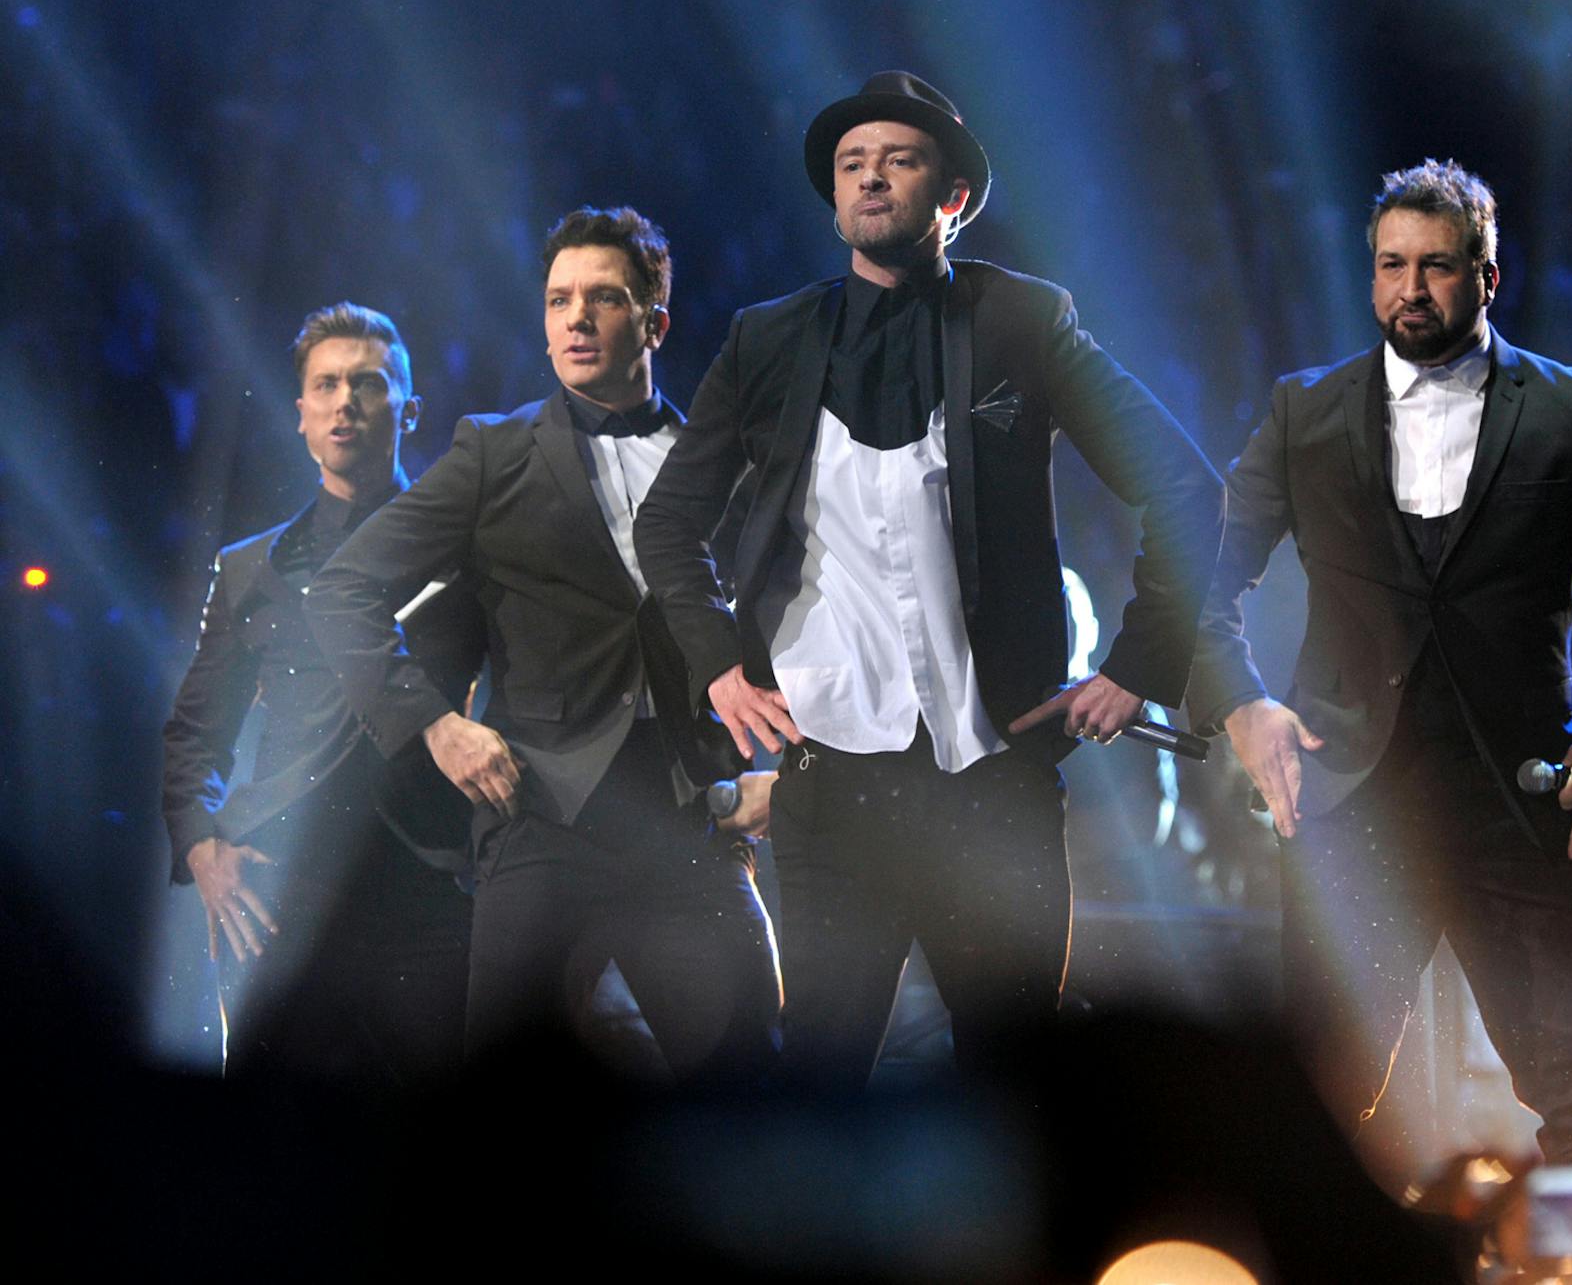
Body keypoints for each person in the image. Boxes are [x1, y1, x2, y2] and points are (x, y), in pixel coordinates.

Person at [633, 71, 1223, 1086]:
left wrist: (1138, 661)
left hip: (995, 788)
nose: (870, 178)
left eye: (898, 161)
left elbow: (1184, 484)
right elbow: (668, 524)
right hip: (832, 790)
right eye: (852, 164)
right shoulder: (769, 340)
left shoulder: (1021, 321)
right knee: (819, 1087)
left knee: (1020, 1086)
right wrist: (720, 667)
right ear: (832, 199)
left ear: (952, 196)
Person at [1186, 159, 1572, 1184]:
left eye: (1436, 266)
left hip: (1529, 807)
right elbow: (1198, 579)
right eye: (1391, 265)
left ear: (1489, 275)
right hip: (1351, 809)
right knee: (1321, 1103)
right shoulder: (1305, 411)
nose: (1409, 290)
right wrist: (1242, 705)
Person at [306, 208, 779, 1081]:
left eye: (603, 298)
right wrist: (438, 725)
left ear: (654, 322)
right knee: (508, 1110)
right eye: (560, 299)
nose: (576, 317)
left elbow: (779, 617)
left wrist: (776, 764)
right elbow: (340, 589)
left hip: (687, 820)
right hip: (542, 822)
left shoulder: (715, 460)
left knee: (756, 1084)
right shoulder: (493, 451)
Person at [161, 302, 478, 1089]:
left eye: (367, 384)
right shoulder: (250, 569)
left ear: (409, 409)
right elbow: (197, 734)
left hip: (432, 880)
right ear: (299, 411)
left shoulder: (471, 547)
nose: (346, 401)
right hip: (278, 891)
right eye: (327, 384)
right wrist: (203, 848)